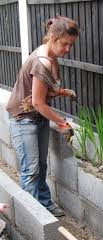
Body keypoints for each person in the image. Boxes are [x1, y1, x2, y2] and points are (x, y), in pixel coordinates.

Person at [6, 16, 79, 217]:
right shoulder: (42, 62)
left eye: (71, 45)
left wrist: (63, 91)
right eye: (65, 44)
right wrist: (62, 122)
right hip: (23, 118)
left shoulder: (52, 56)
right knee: (30, 170)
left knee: (42, 165)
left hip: (37, 116)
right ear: (53, 38)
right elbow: (38, 102)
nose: (68, 50)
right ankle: (33, 218)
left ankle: (44, 205)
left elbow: (45, 90)